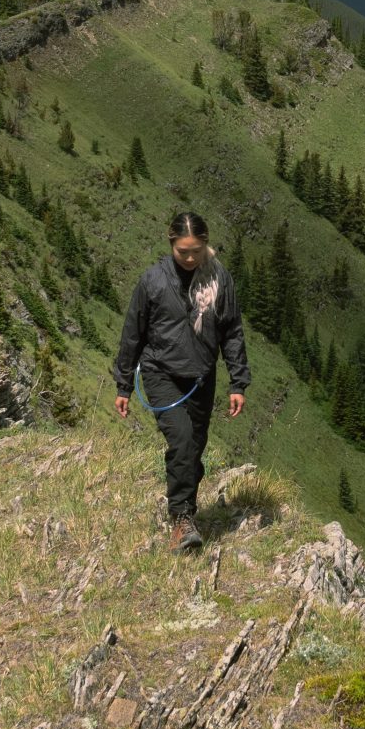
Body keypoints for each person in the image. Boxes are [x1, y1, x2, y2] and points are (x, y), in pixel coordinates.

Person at [112, 211, 249, 552]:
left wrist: (237, 382)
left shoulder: (219, 280)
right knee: (183, 441)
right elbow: (133, 333)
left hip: (202, 377)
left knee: (195, 448)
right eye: (182, 251)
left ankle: (187, 510)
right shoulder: (153, 281)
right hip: (161, 374)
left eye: (196, 251)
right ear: (170, 243)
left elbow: (231, 331)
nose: (190, 258)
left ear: (206, 245)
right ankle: (181, 519)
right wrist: (124, 385)